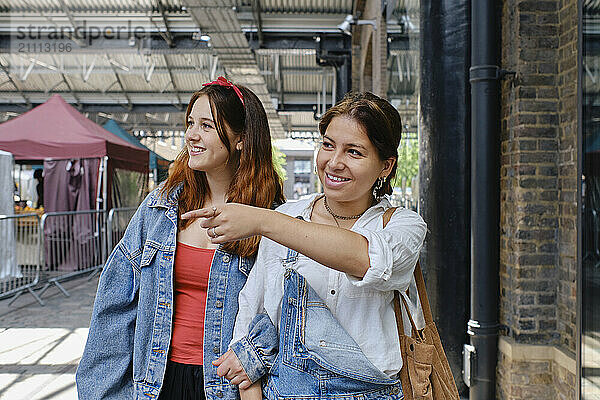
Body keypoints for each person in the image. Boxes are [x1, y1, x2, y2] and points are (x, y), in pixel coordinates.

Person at [181, 91, 428, 399]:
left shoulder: (402, 226)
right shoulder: (289, 216)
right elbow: (249, 322)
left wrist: (263, 221)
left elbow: (367, 258)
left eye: (354, 152)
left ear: (386, 166)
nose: (334, 163)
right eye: (328, 145)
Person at [76, 76, 284, 400]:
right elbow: (115, 305)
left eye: (207, 125)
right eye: (190, 123)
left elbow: (288, 312)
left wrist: (256, 358)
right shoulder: (161, 207)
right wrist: (105, 392)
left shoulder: (271, 218)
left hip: (230, 386)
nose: (191, 135)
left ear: (241, 138)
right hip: (157, 381)